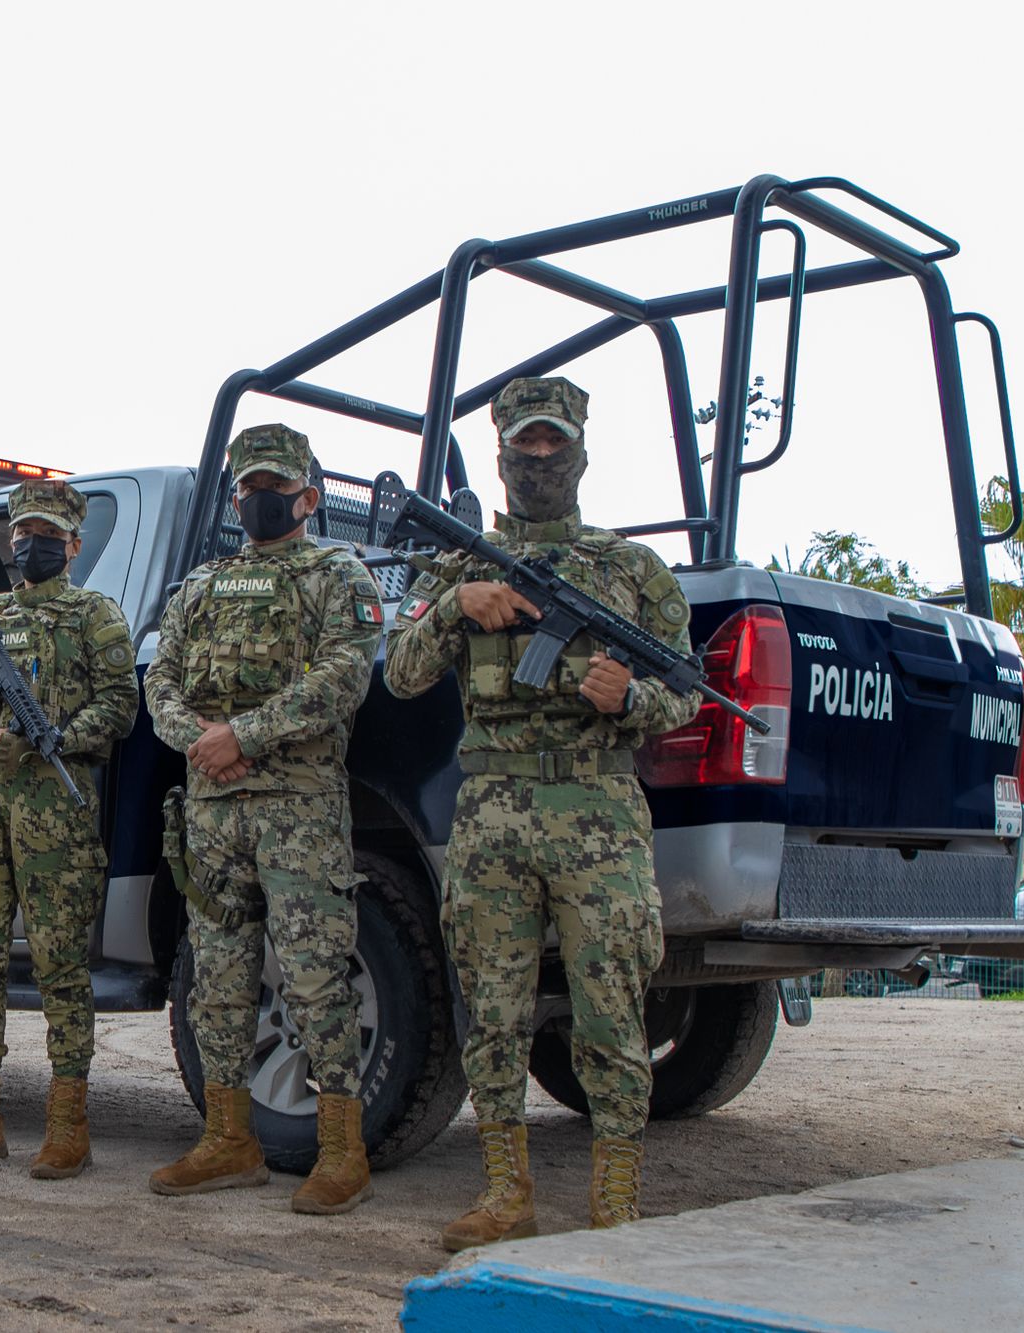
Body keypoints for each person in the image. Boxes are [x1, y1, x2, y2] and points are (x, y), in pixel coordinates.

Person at [382, 376, 695, 1248]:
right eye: (527, 444)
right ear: (503, 455)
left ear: (582, 453)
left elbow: (688, 692)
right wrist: (455, 604)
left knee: (610, 1005)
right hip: (491, 814)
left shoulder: (631, 570)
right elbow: (401, 672)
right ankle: (504, 1192)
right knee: (493, 1007)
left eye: (556, 443)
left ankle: (616, 1197)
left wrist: (632, 696)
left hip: (598, 809)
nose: (542, 458)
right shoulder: (460, 563)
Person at [144, 424, 387, 1215]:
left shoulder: (336, 574)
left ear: (308, 497)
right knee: (217, 979)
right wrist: (203, 743)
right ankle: (228, 1140)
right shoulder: (202, 585)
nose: (258, 498)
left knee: (317, 977)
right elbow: (162, 682)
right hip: (214, 812)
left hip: (298, 810)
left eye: (273, 486)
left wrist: (243, 734)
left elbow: (345, 677)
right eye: (246, 486)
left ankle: (343, 1150)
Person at [0, 478, 138, 1178]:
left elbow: (122, 707)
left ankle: (68, 1124)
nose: (31, 544)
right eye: (23, 533)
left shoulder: (95, 615)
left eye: (47, 534)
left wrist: (58, 739)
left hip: (53, 810)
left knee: (60, 967)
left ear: (73, 543)